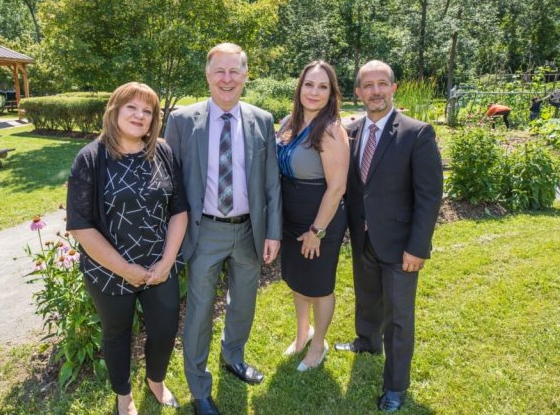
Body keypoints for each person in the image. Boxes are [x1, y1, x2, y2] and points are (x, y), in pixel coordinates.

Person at [165, 43, 282, 415]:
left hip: (249, 230)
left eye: (235, 71)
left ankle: (233, 356)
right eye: (220, 71)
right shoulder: (183, 121)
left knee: (243, 303)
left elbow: (271, 183)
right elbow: (171, 183)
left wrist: (273, 232)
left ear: (246, 75)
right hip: (205, 232)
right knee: (199, 311)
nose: (227, 79)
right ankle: (199, 388)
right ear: (207, 74)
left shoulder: (262, 119)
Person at [66, 82, 189, 415]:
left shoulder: (162, 151)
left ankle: (156, 381)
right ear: (114, 111)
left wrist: (166, 261)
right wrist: (125, 269)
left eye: (147, 111)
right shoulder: (91, 158)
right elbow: (80, 225)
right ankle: (123, 395)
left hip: (159, 267)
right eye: (132, 107)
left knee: (164, 329)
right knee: (117, 335)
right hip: (108, 271)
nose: (140, 115)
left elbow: (179, 210)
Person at [336, 61, 443, 413]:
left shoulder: (417, 133)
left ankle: (395, 386)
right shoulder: (350, 132)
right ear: (358, 92)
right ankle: (366, 342)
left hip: (400, 245)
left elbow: (429, 196)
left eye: (383, 84)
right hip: (363, 237)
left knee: (398, 319)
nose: (376, 91)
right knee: (367, 299)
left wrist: (418, 246)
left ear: (393, 88)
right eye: (368, 85)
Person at [276, 60, 349, 372]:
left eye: (323, 87)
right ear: (300, 87)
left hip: (320, 219)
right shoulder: (287, 124)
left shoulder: (331, 130)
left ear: (332, 93)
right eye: (309, 84)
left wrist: (316, 231)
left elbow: (337, 188)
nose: (315, 92)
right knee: (296, 280)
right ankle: (302, 333)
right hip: (291, 219)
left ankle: (318, 344)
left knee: (319, 286)